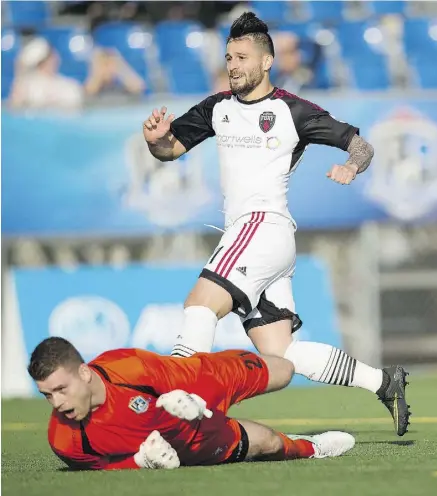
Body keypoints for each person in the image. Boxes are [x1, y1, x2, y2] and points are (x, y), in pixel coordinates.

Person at [142, 12, 410, 436]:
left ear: (266, 62)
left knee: (199, 305)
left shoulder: (293, 111)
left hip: (261, 228)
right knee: (283, 354)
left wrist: (352, 166)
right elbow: (170, 150)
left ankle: (172, 412)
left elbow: (361, 144)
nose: (233, 65)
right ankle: (382, 382)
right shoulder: (217, 108)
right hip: (258, 239)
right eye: (229, 57)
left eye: (242, 57)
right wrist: (156, 141)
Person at [28, 337, 355, 470]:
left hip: (203, 378)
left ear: (84, 373)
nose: (57, 403)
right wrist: (141, 460)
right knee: (268, 443)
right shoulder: (64, 440)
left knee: (285, 370)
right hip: (189, 444)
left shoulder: (130, 367)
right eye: (47, 395)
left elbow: (190, 379)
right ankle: (311, 447)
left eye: (61, 389)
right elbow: (99, 469)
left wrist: (194, 400)